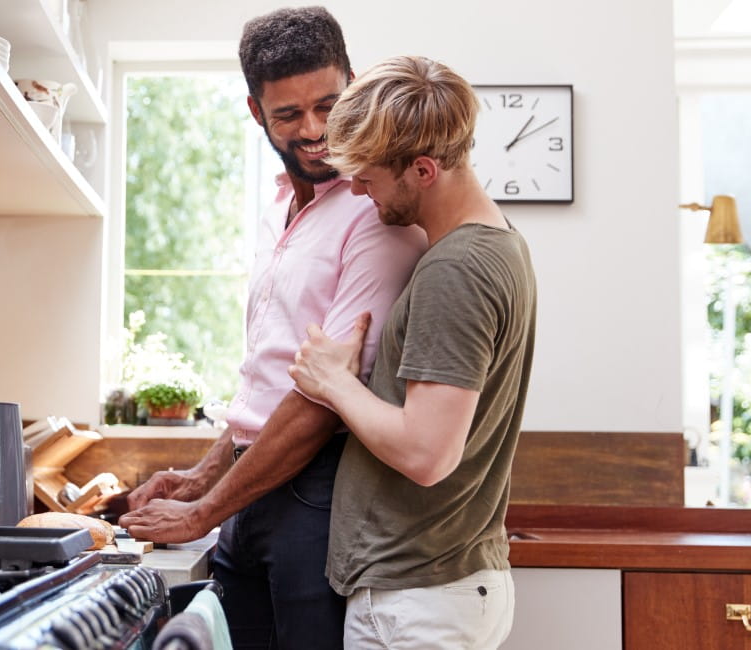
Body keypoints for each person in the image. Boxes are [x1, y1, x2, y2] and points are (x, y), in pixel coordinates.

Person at [119, 8, 425, 650]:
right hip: (252, 488)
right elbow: (270, 375)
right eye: (288, 115)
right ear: (257, 113)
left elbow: (322, 398)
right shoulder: (278, 209)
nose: (314, 131)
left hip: (319, 493)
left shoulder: (377, 214)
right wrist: (203, 476)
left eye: (328, 105)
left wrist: (204, 509)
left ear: (353, 81)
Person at [288, 55, 537, 648]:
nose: (355, 189)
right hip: (435, 591)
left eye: (369, 178)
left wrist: (334, 383)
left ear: (423, 170)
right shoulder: (495, 245)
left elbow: (429, 454)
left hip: (419, 604)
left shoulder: (457, 270)